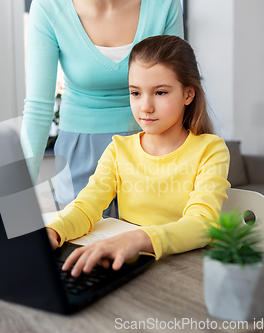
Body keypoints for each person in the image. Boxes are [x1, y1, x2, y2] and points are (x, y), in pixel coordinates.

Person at [46, 35, 231, 277]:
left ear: (188, 94)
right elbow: (86, 207)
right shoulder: (118, 149)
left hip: (189, 271)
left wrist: (138, 239)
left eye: (161, 92)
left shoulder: (210, 149)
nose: (145, 107)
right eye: (135, 93)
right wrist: (53, 231)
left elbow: (202, 224)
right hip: (135, 268)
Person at [21, 0, 184, 208]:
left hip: (152, 143)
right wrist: (18, 196)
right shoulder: (49, 7)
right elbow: (38, 108)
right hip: (80, 148)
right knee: (80, 233)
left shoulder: (162, 5)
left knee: (149, 234)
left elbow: (176, 91)